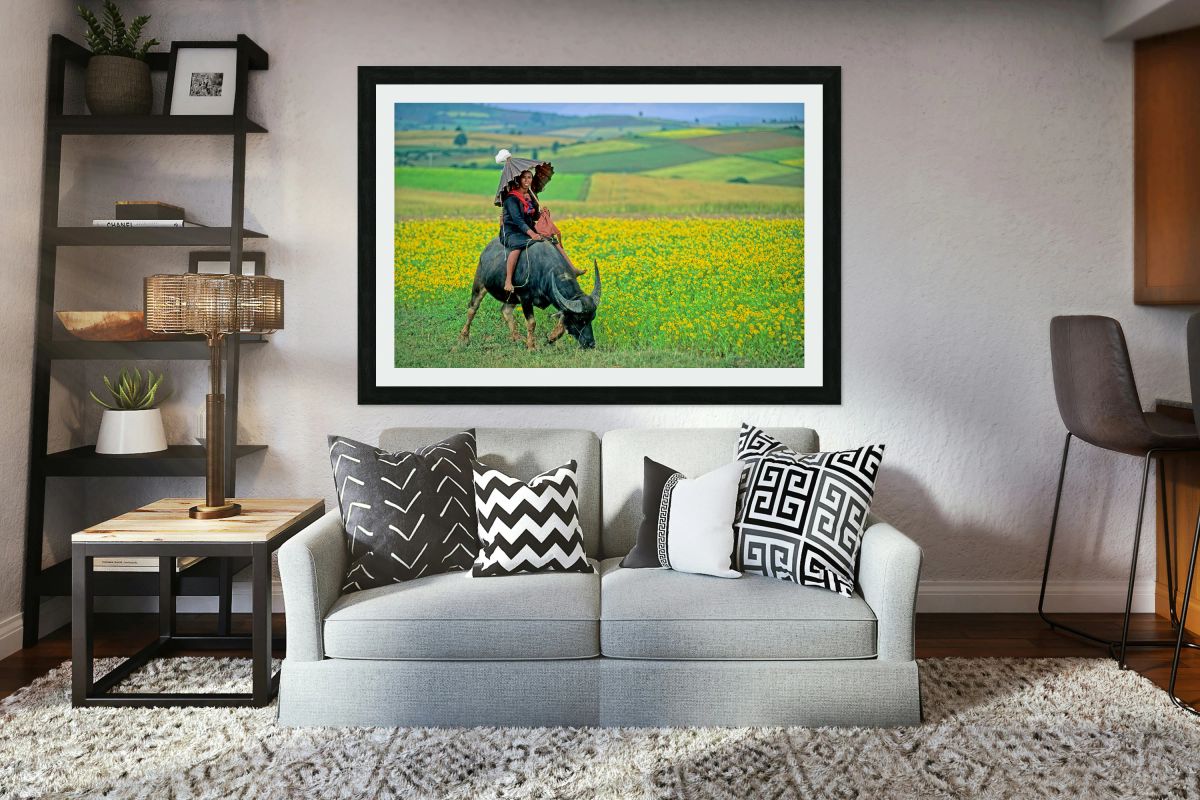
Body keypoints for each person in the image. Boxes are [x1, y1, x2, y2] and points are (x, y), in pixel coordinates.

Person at [499, 170, 585, 294]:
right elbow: (517, 220)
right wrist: (532, 234)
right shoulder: (511, 199)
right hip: (512, 231)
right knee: (517, 248)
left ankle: (572, 269)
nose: (527, 180)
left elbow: (533, 217)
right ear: (518, 180)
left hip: (528, 229)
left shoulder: (531, 195)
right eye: (524, 178)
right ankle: (508, 280)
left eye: (529, 177)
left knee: (552, 241)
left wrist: (542, 214)